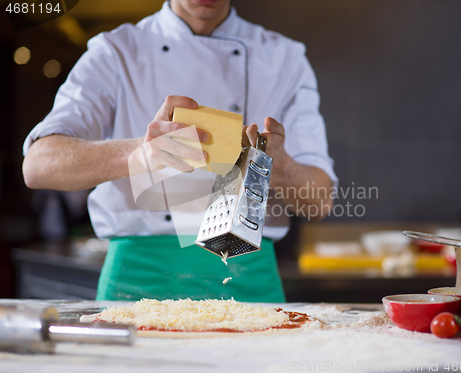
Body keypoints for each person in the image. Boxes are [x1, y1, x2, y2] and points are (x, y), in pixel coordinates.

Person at [22, 0, 337, 302]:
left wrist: (278, 167)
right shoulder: (115, 51)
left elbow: (319, 202)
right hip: (137, 282)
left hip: (247, 278)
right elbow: (38, 165)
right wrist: (142, 153)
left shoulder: (285, 58)